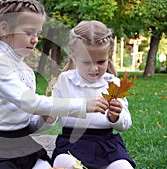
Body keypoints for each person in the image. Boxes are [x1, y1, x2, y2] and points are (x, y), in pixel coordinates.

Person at [0, 1, 110, 169]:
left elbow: (27, 123)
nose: (35, 40)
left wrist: (44, 119)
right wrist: (83, 105)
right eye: (29, 32)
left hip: (22, 145)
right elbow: (30, 102)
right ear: (5, 29)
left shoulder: (26, 71)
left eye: (38, 33)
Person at [51, 20, 136, 169]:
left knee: (123, 166)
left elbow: (125, 124)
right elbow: (53, 115)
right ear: (73, 56)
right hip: (72, 143)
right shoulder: (65, 80)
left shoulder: (114, 84)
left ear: (109, 57)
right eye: (87, 62)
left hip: (107, 144)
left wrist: (115, 117)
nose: (94, 68)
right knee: (64, 163)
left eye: (101, 62)